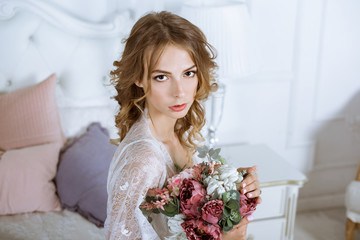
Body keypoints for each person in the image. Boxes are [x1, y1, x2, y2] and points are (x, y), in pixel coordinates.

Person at [105, 11, 262, 240]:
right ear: (139, 78)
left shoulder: (176, 130)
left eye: (188, 73)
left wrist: (232, 186)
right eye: (162, 77)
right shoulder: (145, 161)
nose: (179, 92)